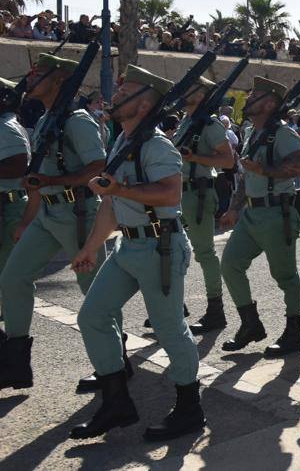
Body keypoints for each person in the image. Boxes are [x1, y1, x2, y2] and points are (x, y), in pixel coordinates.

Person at [68, 66, 204, 441]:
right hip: (128, 246)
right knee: (93, 316)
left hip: (160, 246)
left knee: (169, 328)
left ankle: (190, 409)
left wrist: (122, 189)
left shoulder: (156, 145)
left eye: (125, 91)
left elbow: (170, 194)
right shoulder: (122, 141)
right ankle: (116, 404)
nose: (115, 96)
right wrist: (90, 249)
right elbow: (111, 203)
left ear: (144, 104)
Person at [0, 53, 113, 394]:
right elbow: (37, 178)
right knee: (13, 278)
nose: (30, 79)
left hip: (79, 214)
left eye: (40, 74)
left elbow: (98, 167)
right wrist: (27, 220)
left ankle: (114, 366)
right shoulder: (50, 118)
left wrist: (52, 184)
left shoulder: (77, 121)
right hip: (47, 215)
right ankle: (16, 364)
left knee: (95, 293)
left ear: (60, 79)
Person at [218, 77, 300, 357]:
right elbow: (247, 174)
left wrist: (264, 169)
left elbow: (299, 167)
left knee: (285, 276)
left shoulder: (283, 134)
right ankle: (251, 323)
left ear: (269, 103)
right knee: (230, 264)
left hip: (277, 212)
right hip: (252, 213)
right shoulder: (252, 132)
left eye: (255, 95)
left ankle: (293, 333)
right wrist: (234, 207)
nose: (248, 99)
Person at [172, 77, 235, 333]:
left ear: (202, 95)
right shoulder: (187, 121)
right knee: (173, 249)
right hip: (179, 192)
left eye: (190, 90)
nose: (184, 93)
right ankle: (174, 306)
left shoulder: (210, 125)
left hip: (197, 193)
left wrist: (195, 156)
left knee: (205, 253)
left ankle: (215, 310)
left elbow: (229, 161)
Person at [0, 78, 29, 342]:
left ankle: (12, 344)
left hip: (9, 207)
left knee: (9, 275)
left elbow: (20, 165)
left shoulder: (6, 127)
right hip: (5, 205)